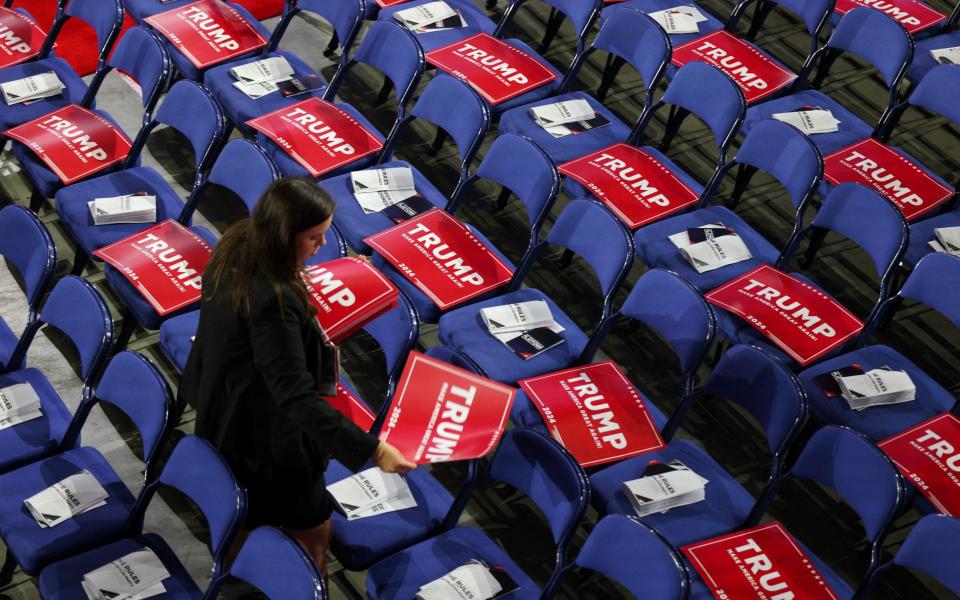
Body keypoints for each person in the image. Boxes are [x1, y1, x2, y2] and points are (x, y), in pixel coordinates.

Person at [179, 177, 416, 576]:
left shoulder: (237, 242)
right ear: (284, 235)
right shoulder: (273, 298)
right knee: (313, 528)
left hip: (223, 409)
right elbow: (294, 396)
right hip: (266, 436)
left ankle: (233, 577)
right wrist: (375, 450)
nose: (322, 246)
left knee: (246, 512)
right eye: (314, 237)